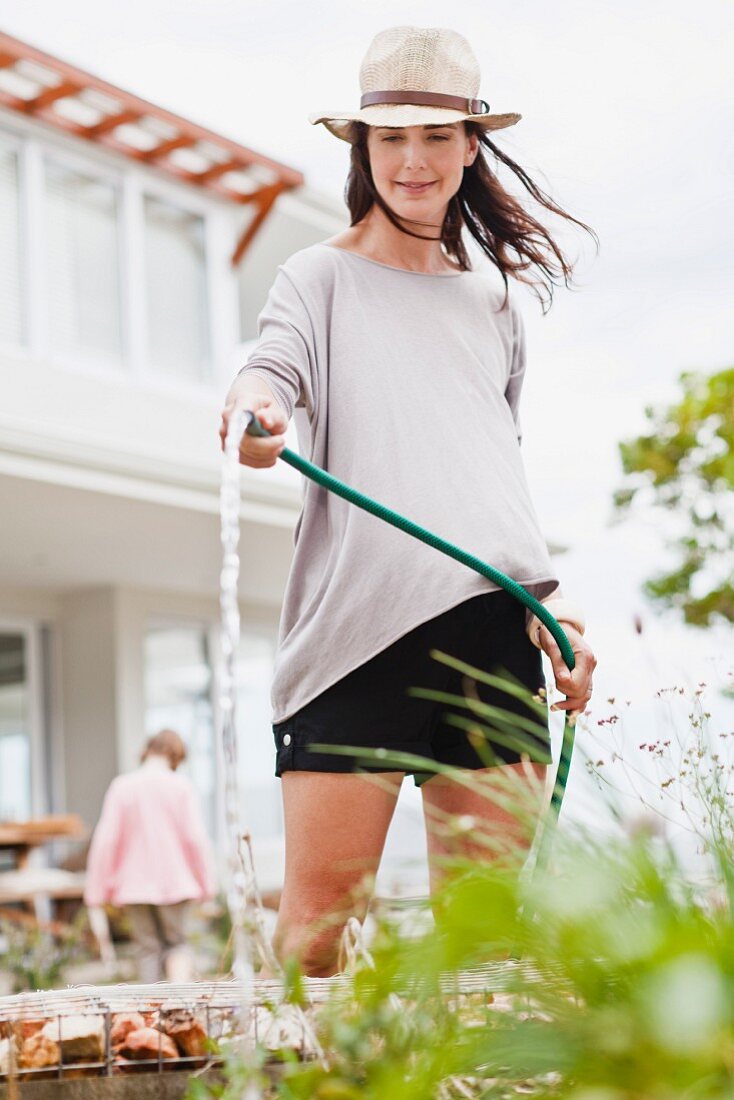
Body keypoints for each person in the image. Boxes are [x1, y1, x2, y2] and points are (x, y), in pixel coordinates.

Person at [220, 25, 597, 977]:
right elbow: (267, 375)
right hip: (355, 640)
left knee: (488, 949)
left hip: (493, 634)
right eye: (391, 137)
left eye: (436, 136)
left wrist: (548, 619)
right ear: (363, 147)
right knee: (316, 943)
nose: (414, 159)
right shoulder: (319, 278)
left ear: (472, 146)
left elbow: (482, 472)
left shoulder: (497, 302)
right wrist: (254, 412)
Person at [83, 729, 216, 983]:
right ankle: (180, 1008)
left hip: (134, 886)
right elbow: (195, 838)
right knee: (177, 943)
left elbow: (106, 840)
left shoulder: (122, 787)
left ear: (148, 751)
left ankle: (150, 1015)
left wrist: (96, 890)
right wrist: (207, 884)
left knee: (147, 948)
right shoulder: (181, 787)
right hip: (175, 883)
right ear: (175, 757)